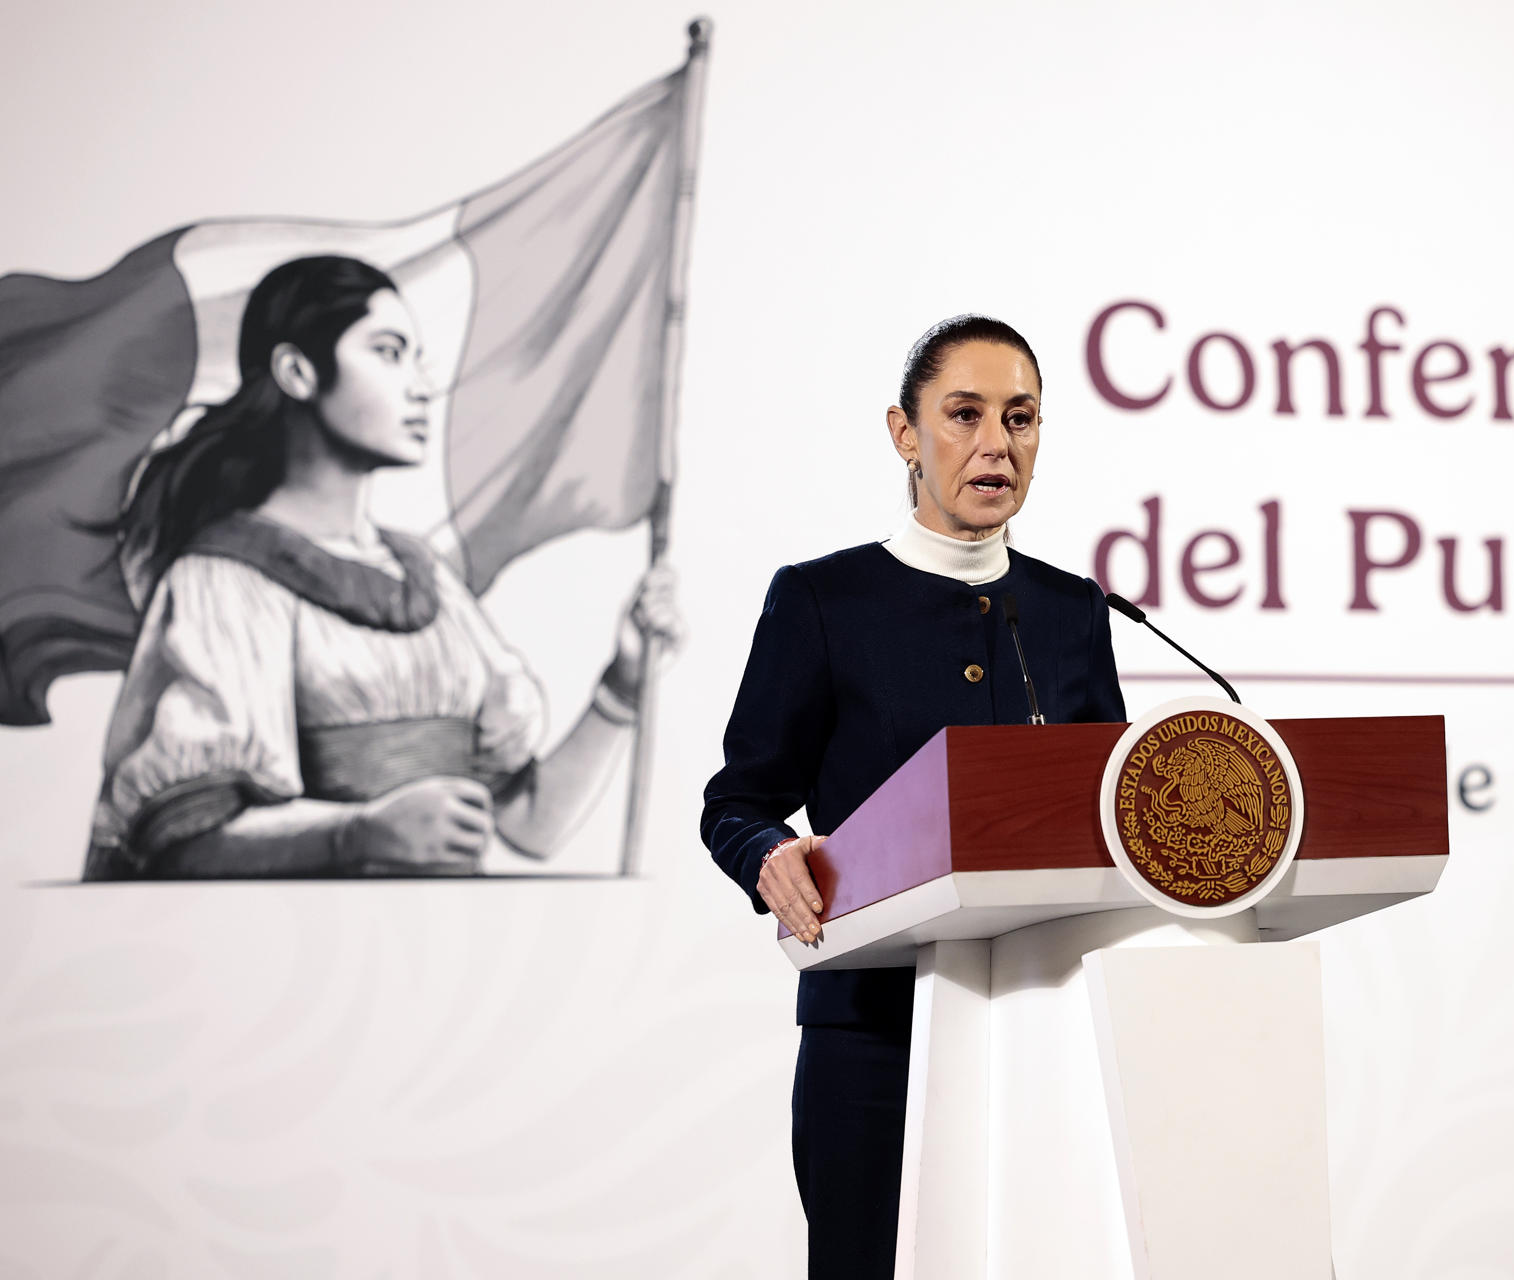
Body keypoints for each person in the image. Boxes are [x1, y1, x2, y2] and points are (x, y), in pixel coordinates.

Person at [701, 315, 1126, 1278]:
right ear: (904, 433)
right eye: (963, 415)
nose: (995, 444)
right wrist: (768, 854)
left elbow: (1109, 815)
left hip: (1042, 1024)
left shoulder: (1072, 614)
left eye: (1019, 418)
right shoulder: (821, 601)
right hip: (870, 1034)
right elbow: (738, 798)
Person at [85, 254, 677, 879]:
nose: (421, 385)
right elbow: (182, 845)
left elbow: (530, 825)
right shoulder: (222, 580)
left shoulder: (428, 581)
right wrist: (357, 834)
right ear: (297, 371)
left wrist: (624, 683)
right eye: (389, 352)